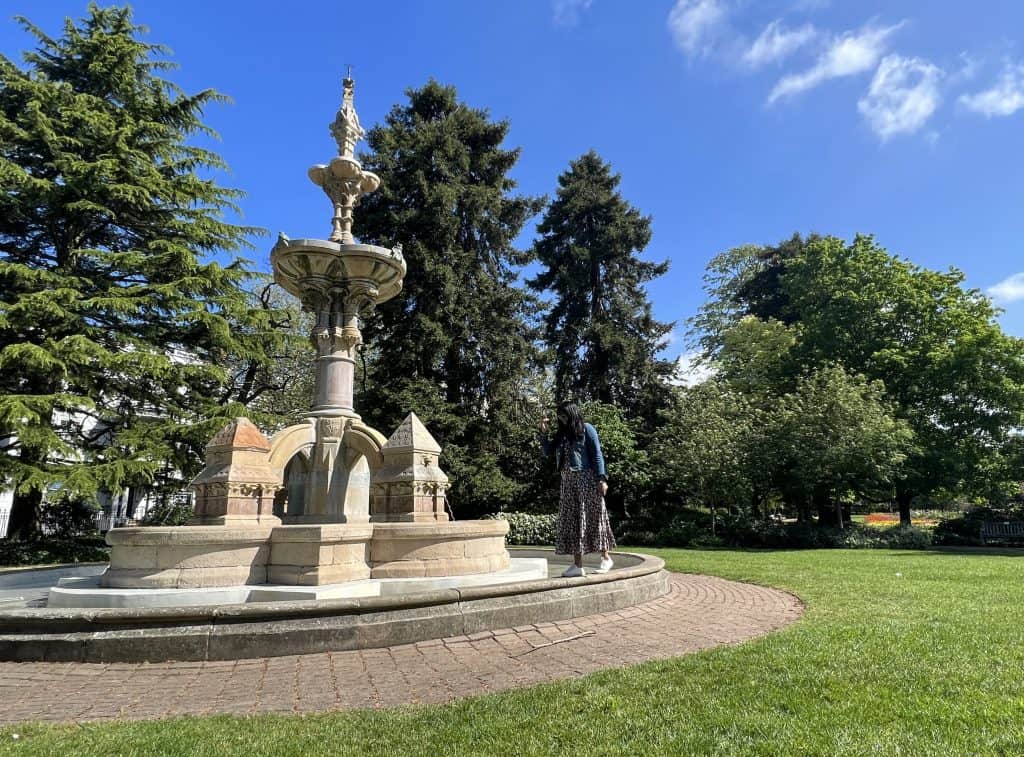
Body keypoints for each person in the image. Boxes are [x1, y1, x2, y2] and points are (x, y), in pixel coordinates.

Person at [540, 402, 616, 577]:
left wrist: (601, 478)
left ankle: (606, 558)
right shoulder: (562, 434)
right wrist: (543, 432)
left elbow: (597, 454)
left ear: (572, 413)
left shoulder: (587, 429)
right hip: (568, 484)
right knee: (573, 522)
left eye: (564, 415)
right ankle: (577, 565)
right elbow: (547, 451)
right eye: (560, 416)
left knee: (594, 518)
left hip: (586, 481)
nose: (562, 419)